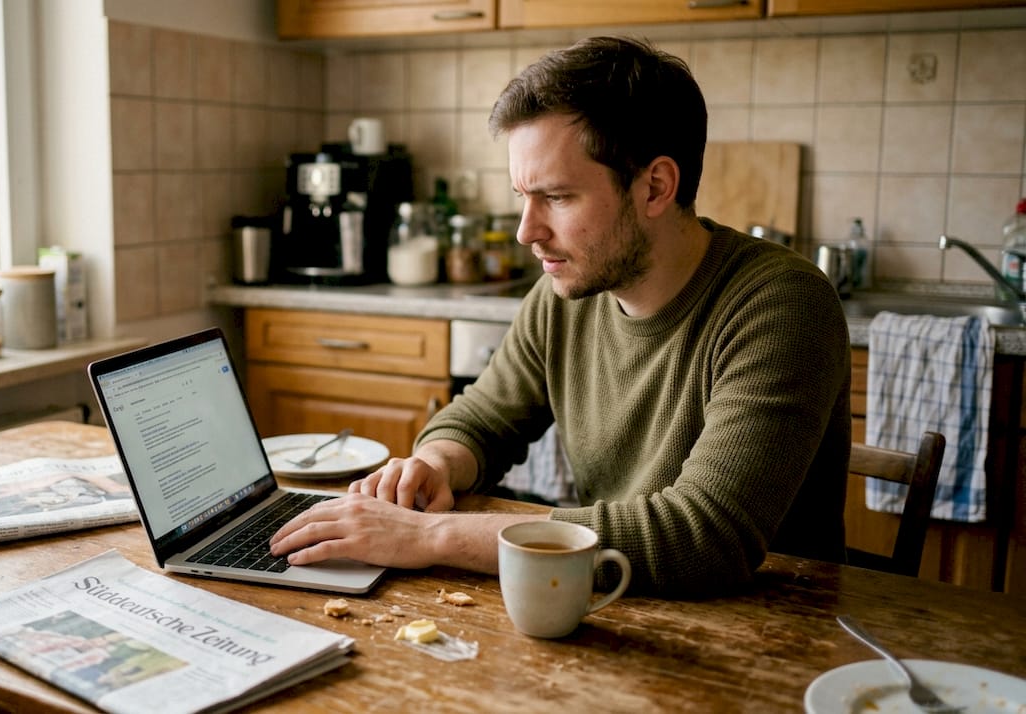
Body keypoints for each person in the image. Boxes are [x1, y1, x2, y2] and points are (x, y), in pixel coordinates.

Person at [270, 36, 851, 597]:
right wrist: (434, 463)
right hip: (611, 603)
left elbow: (702, 537)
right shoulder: (567, 291)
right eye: (523, 196)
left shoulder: (782, 304)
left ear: (655, 187)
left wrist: (431, 535)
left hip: (771, 630)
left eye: (557, 197)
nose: (528, 231)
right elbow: (483, 418)